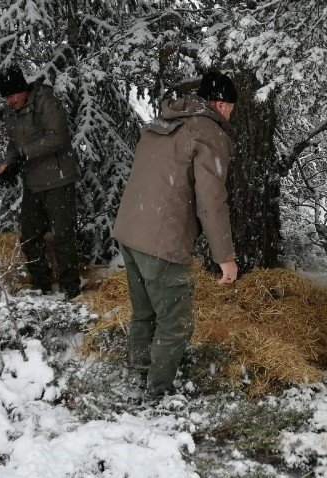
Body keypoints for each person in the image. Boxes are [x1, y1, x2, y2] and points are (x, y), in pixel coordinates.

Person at [113, 71, 240, 402]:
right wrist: (225, 257)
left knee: (144, 313)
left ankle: (135, 379)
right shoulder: (208, 134)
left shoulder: (164, 122)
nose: (230, 115)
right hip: (161, 240)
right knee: (175, 322)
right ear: (221, 104)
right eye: (231, 108)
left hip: (130, 231)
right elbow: (211, 202)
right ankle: (157, 394)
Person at [0, 65, 81, 298]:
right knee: (29, 236)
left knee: (63, 236)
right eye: (5, 97)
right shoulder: (12, 113)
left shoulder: (46, 101)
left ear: (22, 89)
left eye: (12, 95)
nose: (9, 101)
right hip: (33, 183)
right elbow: (14, 145)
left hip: (58, 179)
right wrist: (8, 164)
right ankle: (41, 286)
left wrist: (24, 153)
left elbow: (58, 137)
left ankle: (71, 289)